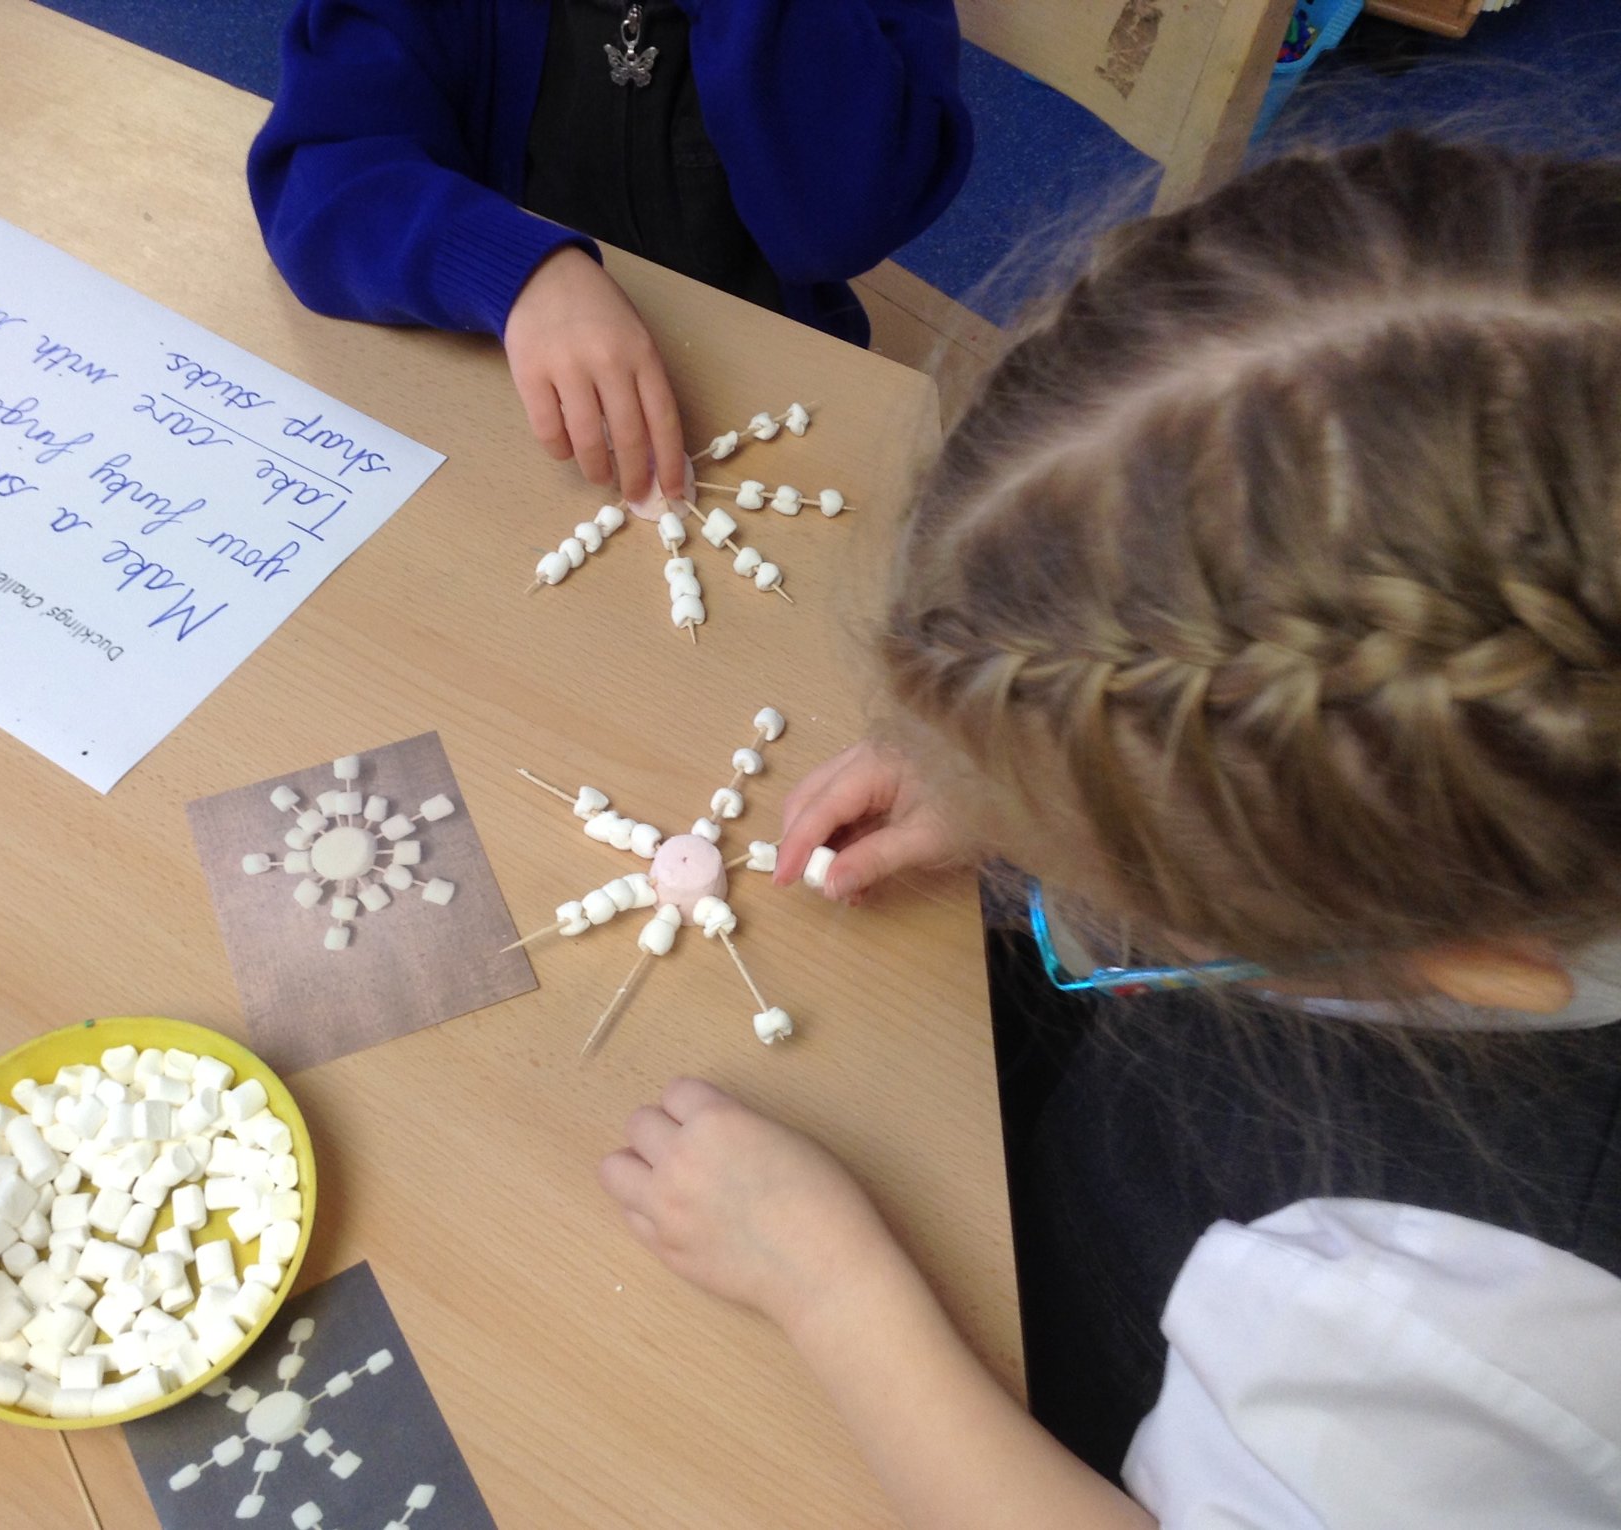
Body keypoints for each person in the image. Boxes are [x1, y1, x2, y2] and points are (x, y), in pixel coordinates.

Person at [598, 133, 1621, 1527]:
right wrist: (1029, 775)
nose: (1057, 876)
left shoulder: (1455, 1344)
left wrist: (829, 1284)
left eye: (1113, 881)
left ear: (1466, 957)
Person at [248, 1, 971, 506]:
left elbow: (841, 222)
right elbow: (319, 172)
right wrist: (519, 271)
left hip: (763, 398)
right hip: (503, 392)